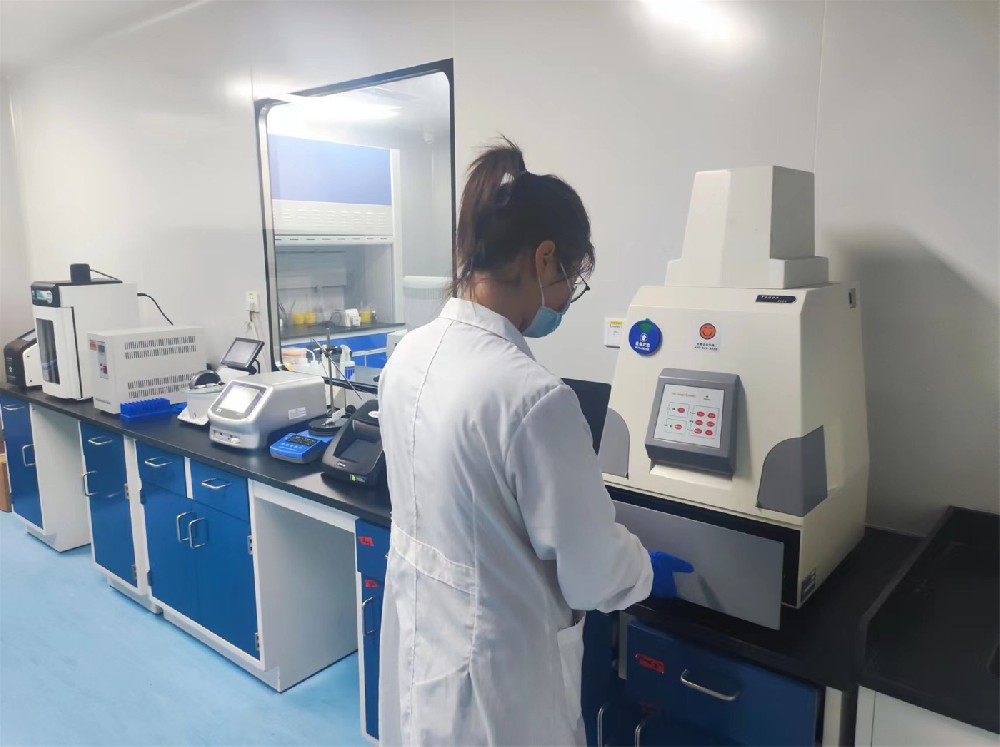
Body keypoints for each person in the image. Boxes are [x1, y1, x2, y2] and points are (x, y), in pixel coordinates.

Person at [377, 138, 693, 746]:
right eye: (573, 277)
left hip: (425, 647)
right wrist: (642, 569)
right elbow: (592, 573)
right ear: (544, 259)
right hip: (500, 682)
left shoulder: (408, 355)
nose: (567, 297)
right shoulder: (534, 397)